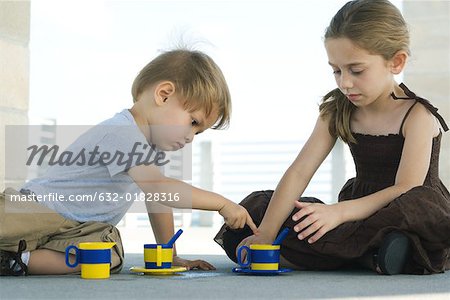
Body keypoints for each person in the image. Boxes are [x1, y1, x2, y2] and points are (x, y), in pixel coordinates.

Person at [215, 0, 450, 275]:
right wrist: (265, 232)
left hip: (407, 208)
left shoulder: (417, 115)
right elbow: (300, 171)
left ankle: (371, 253)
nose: (344, 82)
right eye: (336, 70)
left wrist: (340, 213)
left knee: (410, 211)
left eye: (356, 70)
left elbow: (405, 188)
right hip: (353, 212)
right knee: (255, 213)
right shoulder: (337, 109)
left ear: (395, 62)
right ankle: (372, 257)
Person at [0, 49, 257, 276]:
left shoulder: (150, 150)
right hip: (37, 210)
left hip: (76, 229)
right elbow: (160, 189)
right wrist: (221, 203)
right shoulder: (122, 132)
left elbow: (157, 200)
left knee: (107, 255)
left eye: (199, 132)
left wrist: (169, 255)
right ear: (164, 95)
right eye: (193, 122)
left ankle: (16, 261)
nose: (191, 137)